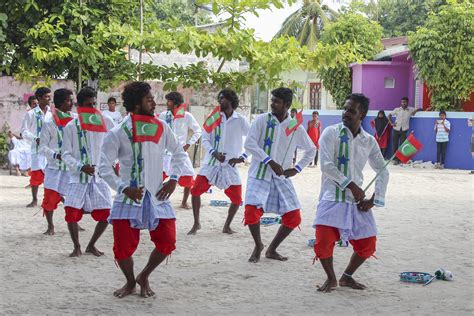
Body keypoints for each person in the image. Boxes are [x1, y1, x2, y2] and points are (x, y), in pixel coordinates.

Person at [100, 81, 188, 298]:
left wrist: (174, 178)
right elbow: (103, 166)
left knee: (167, 241)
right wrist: (123, 188)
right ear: (137, 104)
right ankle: (130, 282)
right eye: (149, 99)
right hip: (128, 198)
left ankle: (144, 276)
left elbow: (179, 153)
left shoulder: (162, 127)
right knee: (122, 248)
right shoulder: (118, 132)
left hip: (158, 194)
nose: (154, 103)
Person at [312, 93, 389, 293]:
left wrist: (375, 199)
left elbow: (383, 170)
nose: (345, 113)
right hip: (331, 197)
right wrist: (351, 185)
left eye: (351, 110)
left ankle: (347, 277)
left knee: (368, 244)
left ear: (361, 114)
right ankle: (331, 278)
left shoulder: (369, 141)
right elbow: (326, 166)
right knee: (323, 242)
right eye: (345, 109)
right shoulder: (331, 132)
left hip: (357, 203)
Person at [244, 87, 316, 263]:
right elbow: (249, 144)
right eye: (272, 100)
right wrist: (269, 160)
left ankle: (272, 249)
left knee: (294, 216)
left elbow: (311, 150)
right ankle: (258, 244)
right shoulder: (261, 120)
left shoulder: (295, 127)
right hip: (259, 173)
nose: (272, 104)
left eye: (277, 101)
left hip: (280, 177)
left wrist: (297, 168)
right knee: (251, 210)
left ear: (287, 104)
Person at [188, 89, 250, 235]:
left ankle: (226, 226)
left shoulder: (240, 120)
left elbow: (253, 139)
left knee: (237, 198)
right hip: (211, 163)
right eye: (219, 98)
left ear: (230, 100)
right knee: (195, 191)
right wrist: (213, 152)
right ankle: (196, 223)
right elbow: (205, 138)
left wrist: (242, 157)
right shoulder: (213, 118)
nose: (220, 101)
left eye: (222, 98)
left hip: (229, 164)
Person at [62, 87, 114, 257]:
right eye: (87, 105)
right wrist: (80, 166)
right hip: (78, 176)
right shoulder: (70, 126)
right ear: (79, 105)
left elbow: (115, 144)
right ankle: (76, 246)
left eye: (94, 104)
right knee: (71, 212)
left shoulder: (104, 122)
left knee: (106, 212)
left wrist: (112, 163)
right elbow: (65, 154)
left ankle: (91, 245)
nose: (91, 108)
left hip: (98, 176)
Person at [38, 88, 75, 235]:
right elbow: (42, 147)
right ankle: (50, 226)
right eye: (68, 100)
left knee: (72, 199)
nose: (71, 103)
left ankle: (74, 223)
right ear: (60, 103)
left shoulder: (74, 119)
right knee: (50, 198)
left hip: (71, 166)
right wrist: (56, 155)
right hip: (54, 167)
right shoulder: (48, 122)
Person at [158, 92, 202, 209]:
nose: (167, 103)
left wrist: (188, 144)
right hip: (165, 153)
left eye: (169, 101)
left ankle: (184, 202)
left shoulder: (187, 116)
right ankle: (156, 199)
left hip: (180, 153)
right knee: (156, 177)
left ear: (175, 103)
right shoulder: (163, 115)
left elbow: (198, 131)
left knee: (188, 176)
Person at [21, 87, 51, 207]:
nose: (49, 99)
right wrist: (35, 138)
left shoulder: (52, 113)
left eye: (50, 96)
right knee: (36, 174)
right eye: (46, 96)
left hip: (50, 150)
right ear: (39, 98)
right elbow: (24, 131)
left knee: (51, 173)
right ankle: (34, 199)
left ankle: (53, 199)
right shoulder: (31, 114)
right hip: (37, 150)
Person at [388, 97, 421, 164]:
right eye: (402, 102)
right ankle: (395, 159)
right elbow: (389, 115)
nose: (403, 103)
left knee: (402, 145)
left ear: (407, 102)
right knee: (395, 145)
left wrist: (416, 110)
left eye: (405, 102)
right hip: (396, 129)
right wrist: (391, 123)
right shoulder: (397, 109)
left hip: (404, 130)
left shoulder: (410, 109)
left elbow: (419, 109)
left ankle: (401, 159)